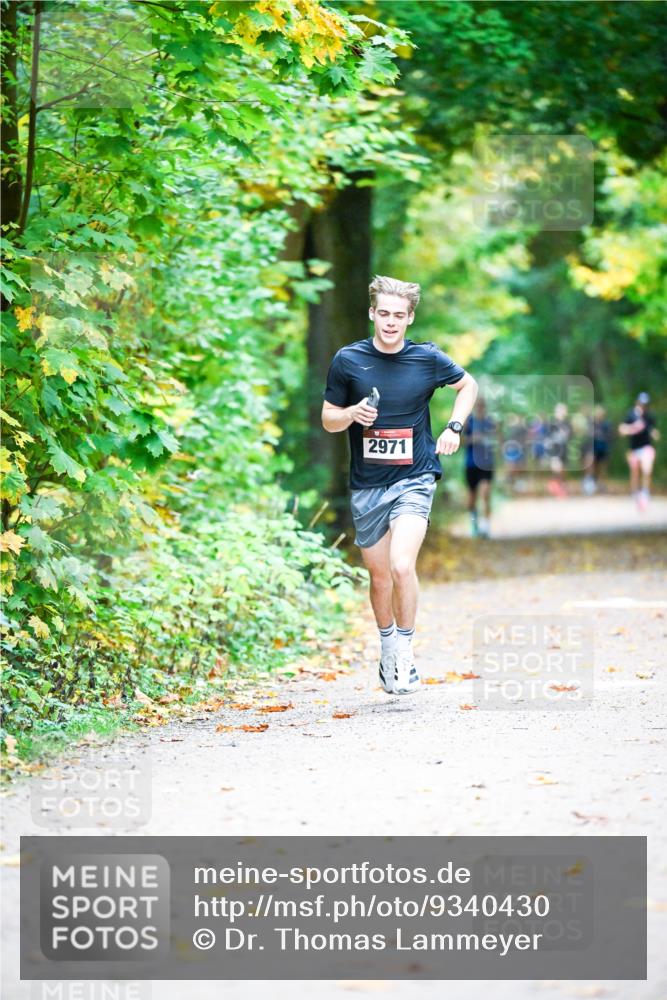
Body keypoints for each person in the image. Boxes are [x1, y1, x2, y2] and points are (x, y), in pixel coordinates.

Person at [321, 275, 477, 695]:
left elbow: (469, 385)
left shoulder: (426, 359)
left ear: (410, 318)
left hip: (415, 477)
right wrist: (352, 413)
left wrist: (454, 426)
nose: (390, 322)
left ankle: (405, 652)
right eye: (383, 314)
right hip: (368, 484)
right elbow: (328, 419)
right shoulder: (348, 360)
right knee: (379, 577)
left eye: (399, 316)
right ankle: (388, 646)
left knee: (401, 565)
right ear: (372, 313)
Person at [618, 392, 660, 510]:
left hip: (646, 447)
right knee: (635, 472)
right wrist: (633, 428)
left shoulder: (649, 416)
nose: (643, 406)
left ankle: (645, 492)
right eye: (642, 403)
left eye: (645, 404)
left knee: (647, 468)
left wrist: (654, 434)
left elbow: (652, 430)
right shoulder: (631, 415)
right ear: (637, 402)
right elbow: (621, 429)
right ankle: (636, 493)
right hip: (634, 449)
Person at [463, 397, 496, 538]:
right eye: (478, 405)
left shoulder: (490, 422)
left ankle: (486, 527)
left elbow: (499, 440)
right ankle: (474, 523)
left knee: (485, 492)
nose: (480, 407)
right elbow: (460, 442)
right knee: (471, 499)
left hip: (487, 463)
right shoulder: (468, 422)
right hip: (470, 464)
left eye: (483, 405)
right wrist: (472, 439)